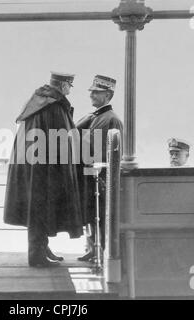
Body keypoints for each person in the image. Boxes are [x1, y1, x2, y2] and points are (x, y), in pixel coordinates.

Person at [3, 72, 83, 267]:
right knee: (40, 210)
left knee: (37, 209)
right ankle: (37, 256)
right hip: (45, 170)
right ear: (63, 85)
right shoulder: (54, 106)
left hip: (33, 168)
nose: (69, 90)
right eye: (69, 86)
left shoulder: (39, 102)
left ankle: (42, 249)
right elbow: (63, 140)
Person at [76, 75, 123, 262]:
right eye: (92, 92)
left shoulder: (110, 119)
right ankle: (93, 248)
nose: (91, 95)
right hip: (91, 175)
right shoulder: (97, 117)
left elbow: (104, 153)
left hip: (101, 177)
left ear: (108, 95)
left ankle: (100, 250)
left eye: (96, 92)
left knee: (101, 216)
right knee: (92, 214)